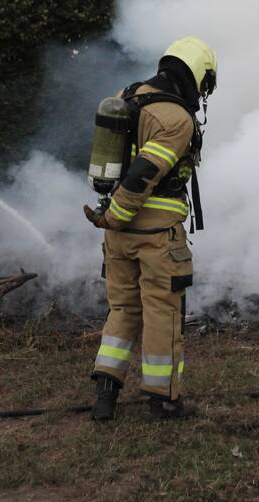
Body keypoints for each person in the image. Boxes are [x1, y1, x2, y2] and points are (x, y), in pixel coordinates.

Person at [83, 36, 217, 421]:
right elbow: (145, 172)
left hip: (118, 236)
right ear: (196, 74)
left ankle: (105, 397)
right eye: (205, 83)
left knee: (122, 309)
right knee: (163, 314)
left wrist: (112, 220)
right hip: (155, 236)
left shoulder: (128, 96)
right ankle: (164, 400)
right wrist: (119, 214)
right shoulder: (176, 119)